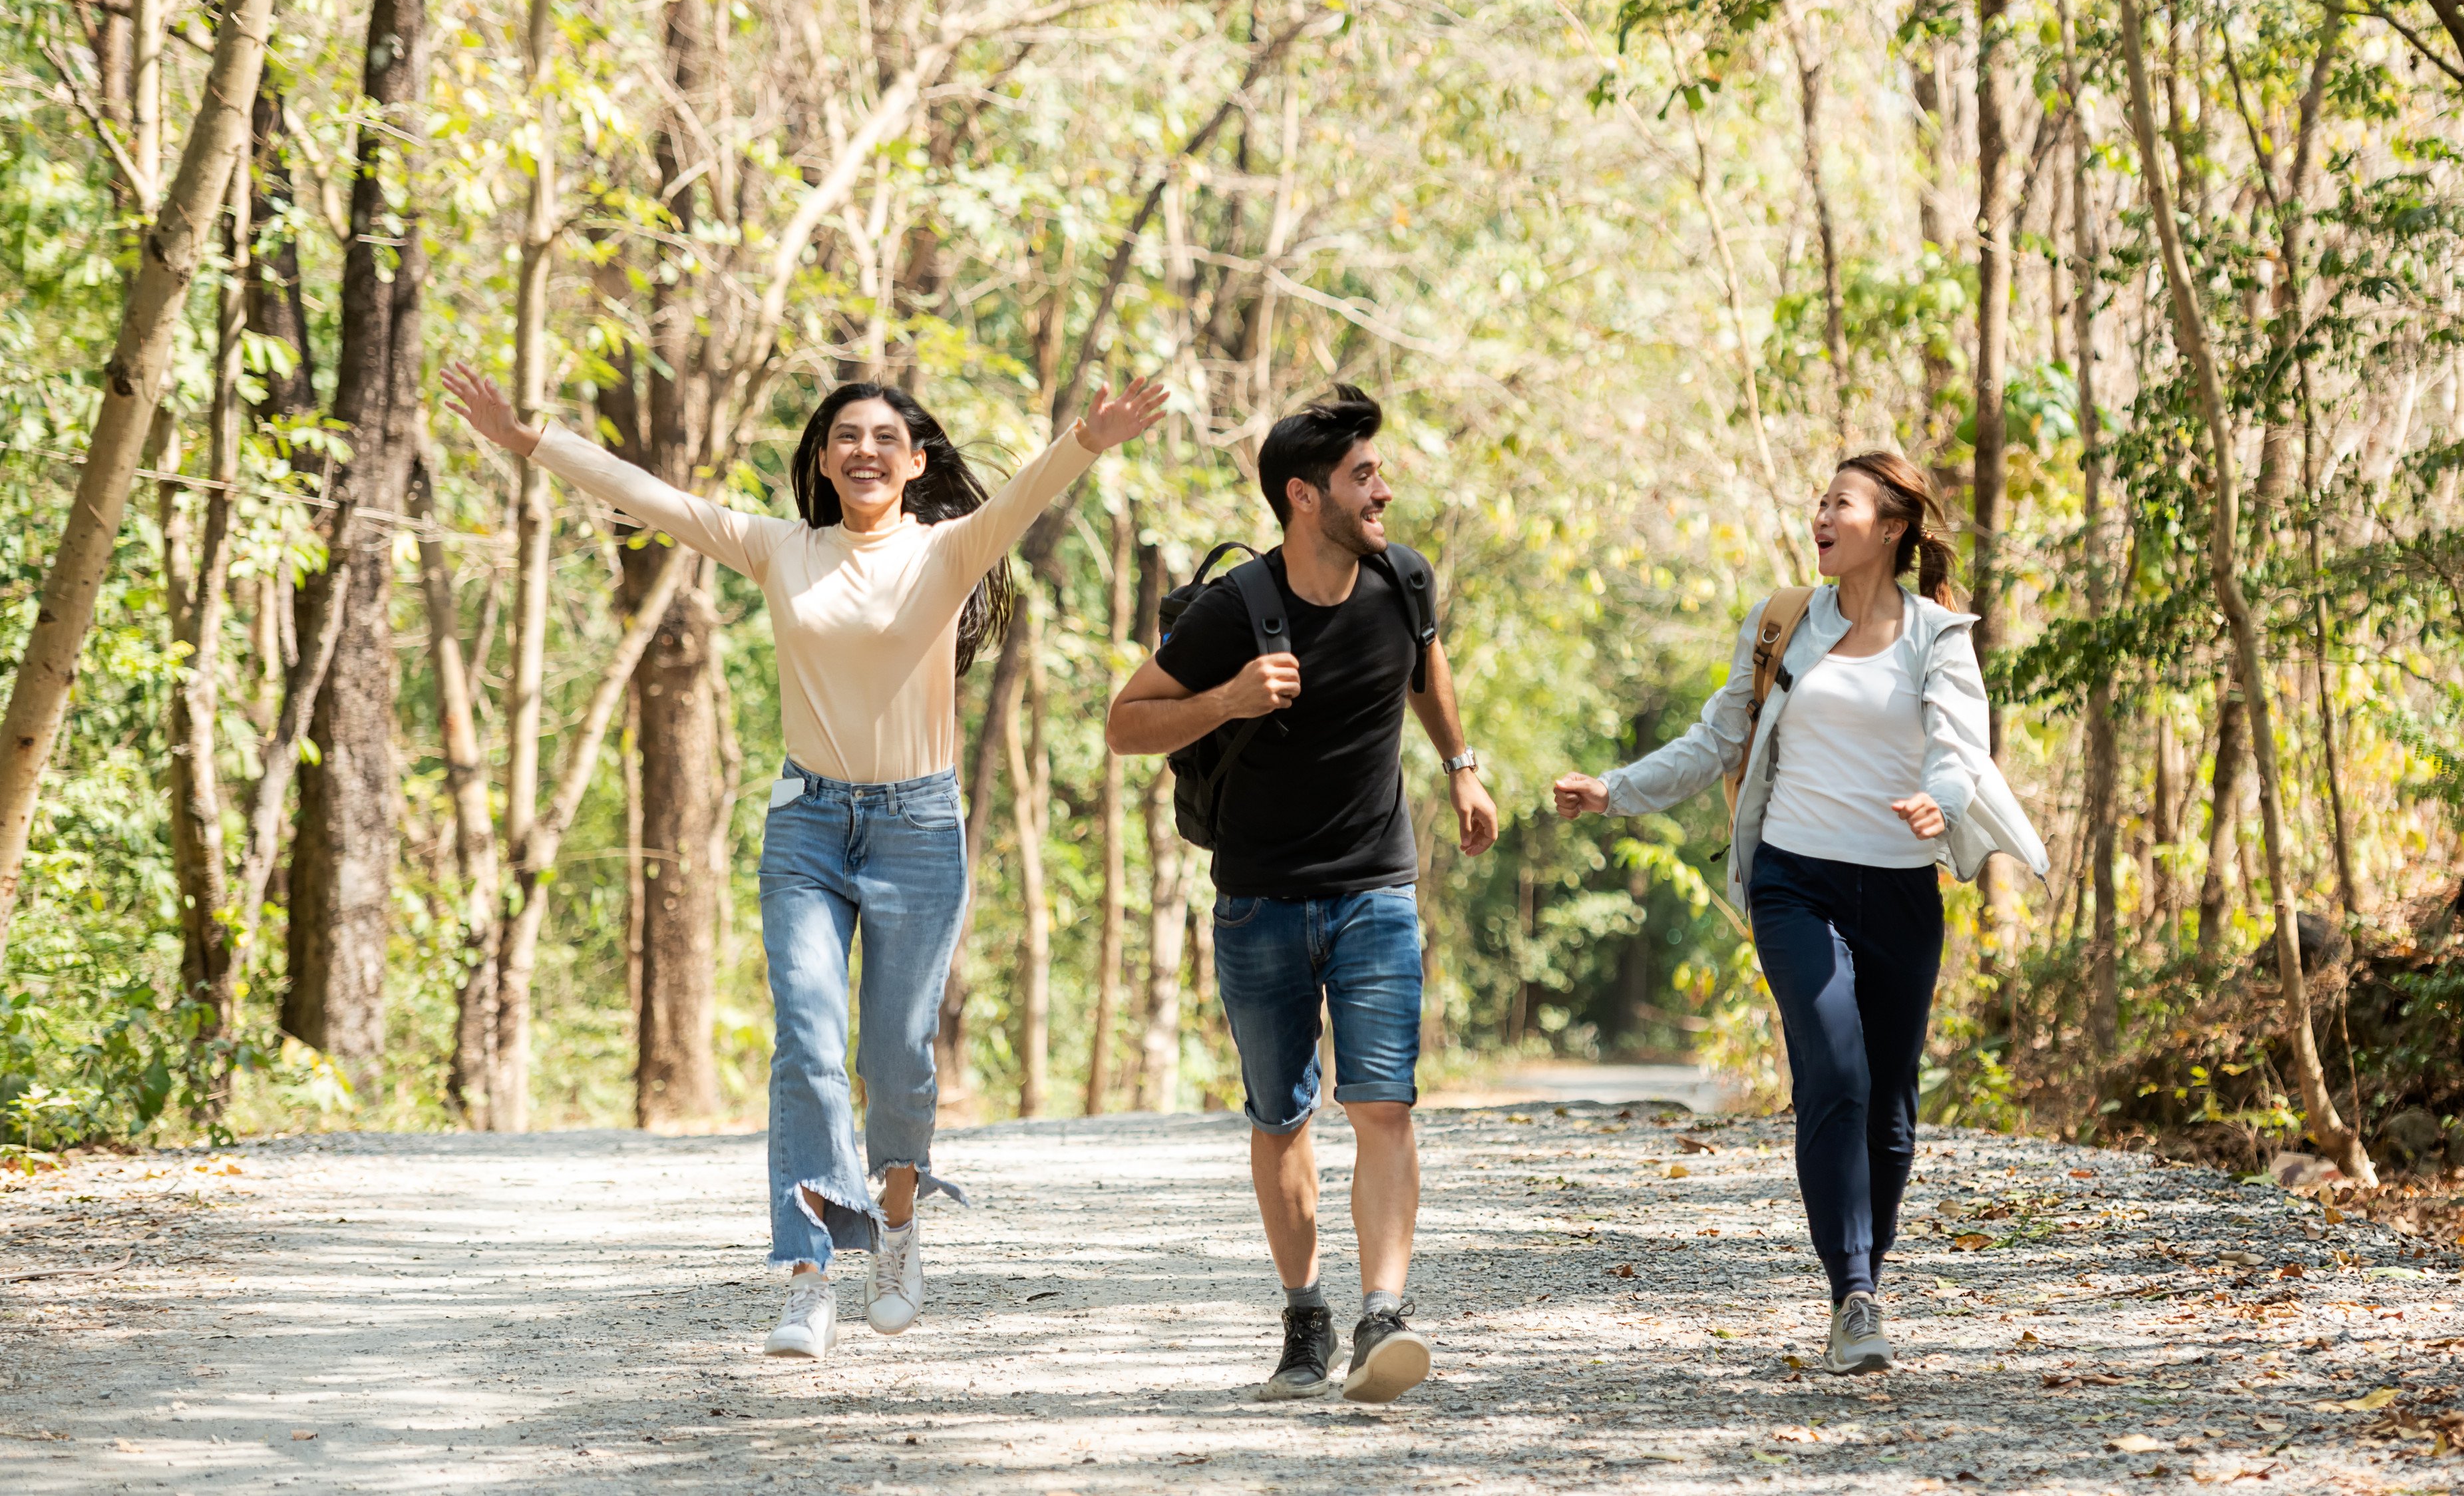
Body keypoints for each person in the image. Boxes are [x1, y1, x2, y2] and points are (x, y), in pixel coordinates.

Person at [446, 361, 1166, 1361]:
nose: (863, 451)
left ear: (916, 463)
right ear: (823, 462)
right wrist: (529, 438)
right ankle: (809, 1272)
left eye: (884, 438)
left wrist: (1091, 438)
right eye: (844, 437)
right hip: (808, 827)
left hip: (918, 827)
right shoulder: (781, 547)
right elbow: (649, 497)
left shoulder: (951, 549)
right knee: (806, 1045)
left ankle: (900, 1223)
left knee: (898, 1059)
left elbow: (1030, 491)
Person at [1550, 453, 2041, 1376]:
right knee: (1835, 1071)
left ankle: (1868, 1265)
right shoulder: (1784, 623)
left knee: (1890, 1108)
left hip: (1900, 888)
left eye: (1840, 503)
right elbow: (1717, 738)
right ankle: (1853, 1291)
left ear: (1890, 526)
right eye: (1819, 501)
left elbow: (1958, 748)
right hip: (1793, 879)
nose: (1819, 514)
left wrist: (1937, 800)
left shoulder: (1939, 634)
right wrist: (1613, 791)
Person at [1105, 385, 1497, 1404]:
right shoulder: (1239, 606)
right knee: (1281, 1117)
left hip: (1376, 888)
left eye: (1380, 470)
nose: (1386, 489)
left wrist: (1463, 765)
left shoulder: (1401, 578)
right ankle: (1306, 1313)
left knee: (1383, 1104)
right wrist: (1228, 698)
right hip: (1259, 899)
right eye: (1364, 475)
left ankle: (1383, 1316)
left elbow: (1427, 670)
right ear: (1303, 493)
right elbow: (1125, 722)